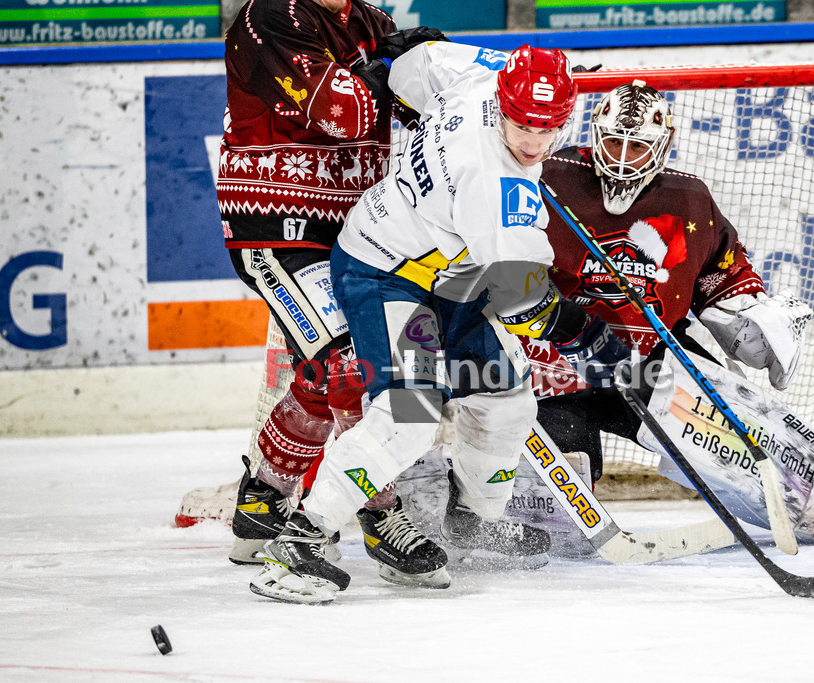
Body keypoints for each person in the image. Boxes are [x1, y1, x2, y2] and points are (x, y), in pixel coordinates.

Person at [248, 41, 610, 604]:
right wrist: (583, 332)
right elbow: (522, 298)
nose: (534, 143)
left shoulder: (483, 72)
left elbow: (414, 62)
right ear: (505, 106)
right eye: (522, 126)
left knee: (506, 400)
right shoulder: (497, 183)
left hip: (449, 272)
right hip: (386, 271)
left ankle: (473, 520)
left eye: (549, 128)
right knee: (409, 418)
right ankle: (303, 538)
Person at [520, 80, 814, 547]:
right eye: (613, 142)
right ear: (595, 135)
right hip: (551, 372)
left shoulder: (689, 200)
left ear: (663, 145)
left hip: (649, 362)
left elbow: (720, 273)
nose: (622, 157)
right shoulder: (546, 177)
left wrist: (748, 318)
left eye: (638, 147)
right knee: (557, 529)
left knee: (745, 433)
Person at [215, 0, 449, 583]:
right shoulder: (267, 17)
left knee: (341, 374)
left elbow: (414, 106)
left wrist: (435, 70)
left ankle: (261, 499)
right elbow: (342, 110)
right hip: (278, 228)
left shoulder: (367, 19)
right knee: (351, 369)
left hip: (361, 232)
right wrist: (385, 65)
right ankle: (381, 515)